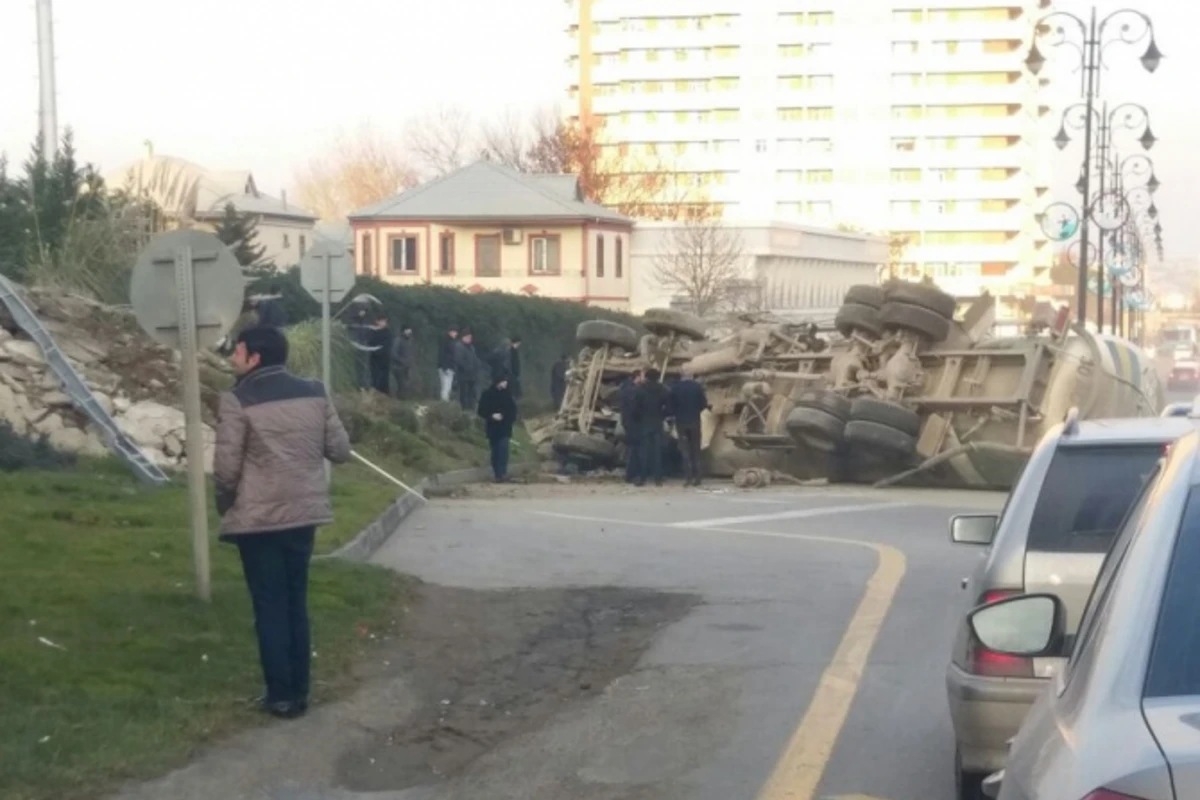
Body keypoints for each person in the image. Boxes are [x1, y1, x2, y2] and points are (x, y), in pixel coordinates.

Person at [213, 326, 351, 720]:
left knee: (269, 605)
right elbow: (340, 450)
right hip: (303, 515)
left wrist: (226, 504)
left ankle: (280, 695)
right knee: (295, 602)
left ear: (254, 357)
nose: (232, 357)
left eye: (237, 350)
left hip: (257, 520)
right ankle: (301, 690)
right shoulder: (314, 392)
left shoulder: (238, 400)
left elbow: (225, 469)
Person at [669, 368, 709, 486]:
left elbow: (671, 407)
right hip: (695, 422)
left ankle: (688, 477)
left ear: (681, 376)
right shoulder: (697, 387)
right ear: (692, 376)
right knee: (695, 449)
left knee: (684, 450)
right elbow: (704, 404)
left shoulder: (675, 388)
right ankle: (698, 477)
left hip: (681, 422)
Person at [477, 373, 518, 483]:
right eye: (503, 381)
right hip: (493, 427)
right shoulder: (487, 394)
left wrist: (505, 417)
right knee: (495, 450)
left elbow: (513, 411)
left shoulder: (508, 395)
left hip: (505, 427)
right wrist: (491, 416)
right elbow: (481, 410)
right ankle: (497, 474)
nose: (505, 383)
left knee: (504, 449)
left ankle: (503, 473)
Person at [632, 370, 669, 487]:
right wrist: (662, 416)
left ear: (646, 377)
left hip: (644, 423)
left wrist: (638, 419)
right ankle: (658, 479)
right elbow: (669, 407)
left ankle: (642, 478)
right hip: (657, 423)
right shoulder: (663, 389)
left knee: (644, 452)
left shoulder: (639, 389)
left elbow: (635, 408)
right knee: (657, 452)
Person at [619, 371, 644, 484]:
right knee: (636, 450)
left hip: (627, 422)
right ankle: (633, 475)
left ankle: (630, 475)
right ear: (637, 377)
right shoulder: (633, 390)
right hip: (634, 423)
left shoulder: (625, 388)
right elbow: (635, 409)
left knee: (632, 449)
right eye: (642, 376)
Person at [367, 316, 394, 395]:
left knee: (384, 377)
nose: (383, 323)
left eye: (384, 321)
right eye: (381, 321)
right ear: (377, 321)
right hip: (374, 358)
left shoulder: (388, 332)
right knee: (375, 376)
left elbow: (388, 344)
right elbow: (370, 342)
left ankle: (384, 393)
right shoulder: (373, 332)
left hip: (385, 358)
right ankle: (375, 392)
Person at [454, 330, 481, 411]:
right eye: (468, 337)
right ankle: (464, 410)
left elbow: (475, 359)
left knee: (472, 394)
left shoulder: (471, 347)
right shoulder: (459, 346)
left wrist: (477, 366)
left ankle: (471, 409)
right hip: (463, 375)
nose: (470, 339)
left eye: (470, 337)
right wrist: (467, 368)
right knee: (464, 394)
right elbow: (458, 360)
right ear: (463, 337)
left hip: (472, 376)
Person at [391, 324, 417, 399]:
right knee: (402, 385)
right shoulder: (398, 340)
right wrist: (402, 361)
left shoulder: (410, 341)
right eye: (407, 330)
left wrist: (410, 362)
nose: (409, 332)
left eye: (410, 330)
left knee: (405, 386)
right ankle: (400, 401)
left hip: (407, 367)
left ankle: (401, 401)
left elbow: (411, 353)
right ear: (403, 331)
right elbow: (393, 354)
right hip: (398, 367)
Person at [437, 327, 459, 402]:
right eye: (454, 332)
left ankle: (445, 401)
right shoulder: (445, 341)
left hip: (451, 368)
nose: (456, 334)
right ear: (450, 332)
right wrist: (445, 367)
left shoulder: (454, 342)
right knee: (445, 386)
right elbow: (442, 355)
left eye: (456, 332)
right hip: (445, 368)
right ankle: (444, 402)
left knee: (448, 387)